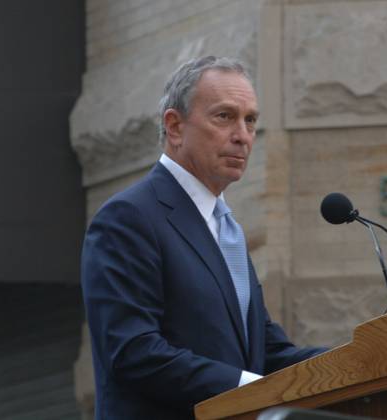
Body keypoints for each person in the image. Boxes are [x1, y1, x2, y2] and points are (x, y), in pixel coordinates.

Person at [81, 56, 326, 420]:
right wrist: (255, 390)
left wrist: (363, 358)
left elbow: (265, 353)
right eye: (224, 116)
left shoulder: (226, 229)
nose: (242, 135)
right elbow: (133, 352)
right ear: (175, 127)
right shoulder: (129, 218)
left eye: (251, 120)